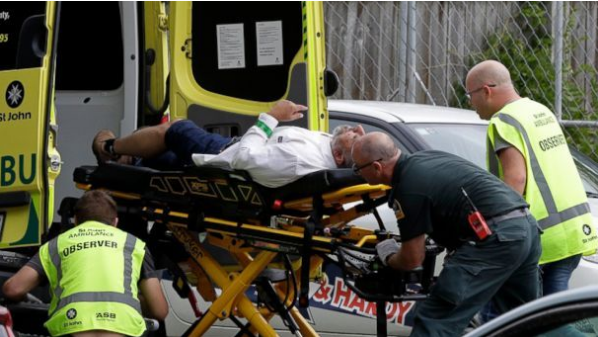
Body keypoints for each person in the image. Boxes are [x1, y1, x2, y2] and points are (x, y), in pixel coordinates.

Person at [352, 132, 542, 336]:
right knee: (530, 321)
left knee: (435, 321)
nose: (356, 173)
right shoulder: (427, 158)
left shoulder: (408, 188)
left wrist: (389, 256)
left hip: (496, 239)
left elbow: (412, 259)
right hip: (525, 227)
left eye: (357, 168)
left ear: (376, 167)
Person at [466, 60, 598, 299]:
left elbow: (516, 179)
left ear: (486, 91)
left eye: (470, 95)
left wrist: (496, 229)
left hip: (541, 238)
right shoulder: (539, 110)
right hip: (572, 231)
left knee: (510, 315)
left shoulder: (504, 121)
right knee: (550, 316)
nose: (470, 103)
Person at [3, 190, 168, 337]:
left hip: (70, 327)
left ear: (76, 220)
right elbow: (159, 310)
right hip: (122, 330)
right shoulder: (135, 245)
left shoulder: (57, 244)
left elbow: (13, 289)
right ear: (115, 222)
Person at [92, 100, 364, 188]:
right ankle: (130, 160)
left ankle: (110, 148)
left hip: (225, 156)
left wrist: (271, 118)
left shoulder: (301, 160)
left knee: (176, 128)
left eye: (357, 136)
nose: (356, 129)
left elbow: (244, 158)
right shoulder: (330, 151)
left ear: (340, 157)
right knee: (168, 160)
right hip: (232, 149)